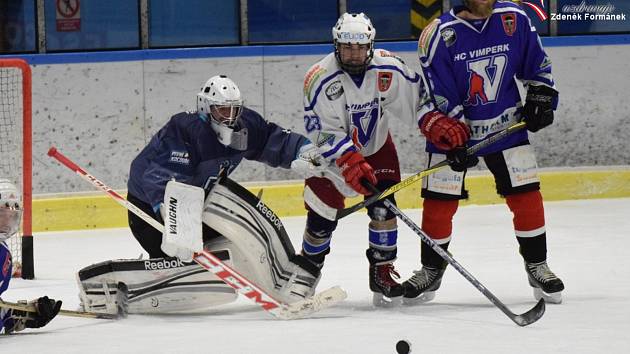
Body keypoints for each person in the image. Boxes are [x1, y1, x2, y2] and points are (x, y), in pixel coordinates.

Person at [78, 75, 328, 314]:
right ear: (205, 108)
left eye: (234, 110)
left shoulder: (245, 126)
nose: (229, 118)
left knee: (238, 240)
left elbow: (273, 140)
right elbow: (161, 178)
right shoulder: (185, 130)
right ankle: (123, 289)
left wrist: (302, 152)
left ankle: (287, 280)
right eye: (222, 110)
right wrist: (179, 228)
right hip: (150, 212)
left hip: (201, 206)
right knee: (180, 260)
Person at [405, 0, 564, 304]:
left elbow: (537, 64)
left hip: (506, 124)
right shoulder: (438, 34)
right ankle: (431, 270)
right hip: (454, 129)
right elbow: (439, 93)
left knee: (526, 195)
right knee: (439, 201)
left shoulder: (513, 18)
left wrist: (542, 96)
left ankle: (537, 264)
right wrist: (453, 136)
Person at [299, 13, 433, 306]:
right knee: (321, 219)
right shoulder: (319, 77)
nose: (354, 53)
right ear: (336, 45)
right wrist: (347, 158)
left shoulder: (388, 66)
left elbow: (419, 100)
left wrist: (433, 122)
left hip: (376, 147)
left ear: (370, 45)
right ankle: (307, 272)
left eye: (360, 47)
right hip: (331, 159)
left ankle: (382, 273)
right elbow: (317, 132)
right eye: (347, 47)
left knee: (385, 210)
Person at [0, 179, 62, 333]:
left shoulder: (3, 252)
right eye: (2, 214)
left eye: (12, 216)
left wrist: (22, 315)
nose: (8, 221)